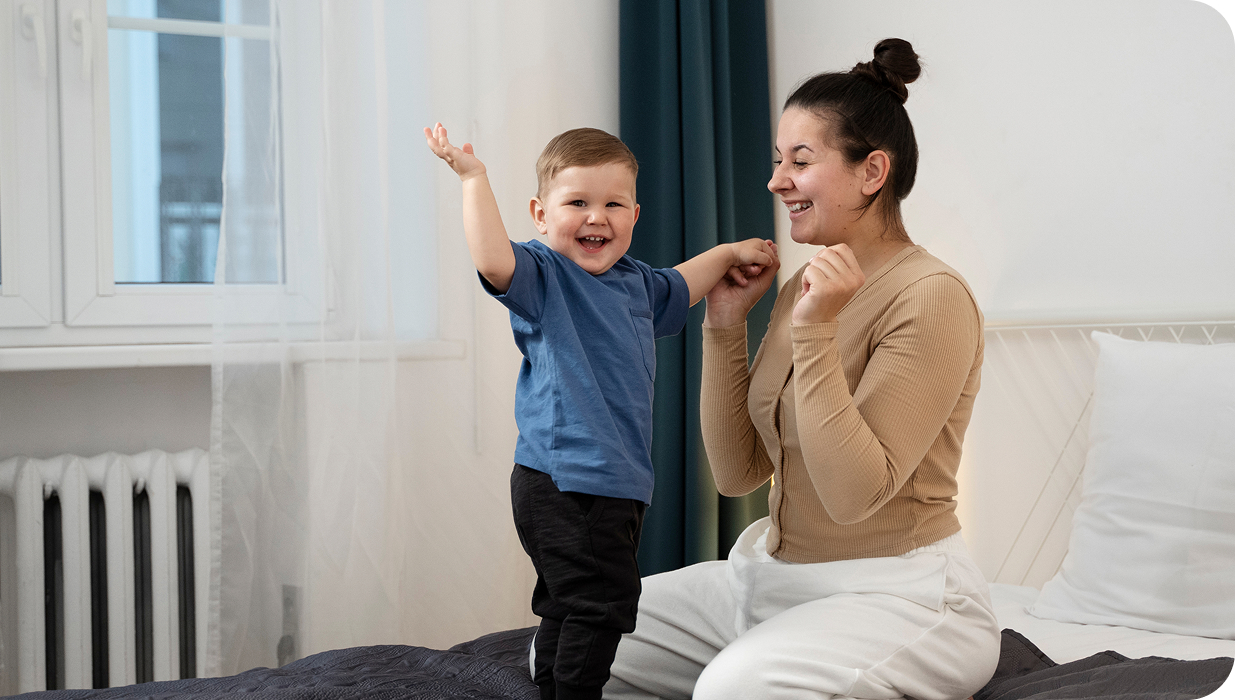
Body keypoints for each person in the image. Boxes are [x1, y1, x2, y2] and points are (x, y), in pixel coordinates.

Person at [604, 38, 1001, 700]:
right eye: (776, 160)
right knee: (570, 644)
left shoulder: (931, 295)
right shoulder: (809, 285)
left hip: (898, 591)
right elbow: (738, 474)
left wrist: (817, 330)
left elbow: (853, 496)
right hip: (771, 576)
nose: (776, 180)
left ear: (873, 171)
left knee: (734, 689)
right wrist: (726, 323)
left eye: (800, 161)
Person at [425, 124, 779, 700]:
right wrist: (474, 179)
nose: (597, 217)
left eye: (613, 204)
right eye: (578, 203)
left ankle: (552, 687)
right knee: (604, 603)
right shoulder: (545, 275)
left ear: (635, 216)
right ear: (541, 215)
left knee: (573, 601)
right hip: (565, 481)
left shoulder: (636, 284)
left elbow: (683, 283)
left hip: (614, 484)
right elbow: (493, 260)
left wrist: (731, 254)